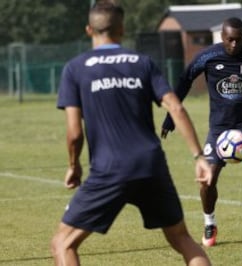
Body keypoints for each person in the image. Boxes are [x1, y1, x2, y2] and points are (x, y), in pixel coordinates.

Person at [50, 2, 213, 265]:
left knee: (62, 243)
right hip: (151, 164)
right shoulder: (142, 62)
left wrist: (73, 166)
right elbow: (176, 107)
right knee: (182, 239)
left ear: (89, 29)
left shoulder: (76, 68)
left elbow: (74, 133)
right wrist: (199, 157)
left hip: (109, 168)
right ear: (122, 28)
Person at [161, 17, 242, 247]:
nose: (234, 45)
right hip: (220, 130)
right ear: (222, 37)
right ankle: (209, 223)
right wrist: (170, 116)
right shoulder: (207, 56)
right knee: (207, 179)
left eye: (239, 40)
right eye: (230, 40)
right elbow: (184, 81)